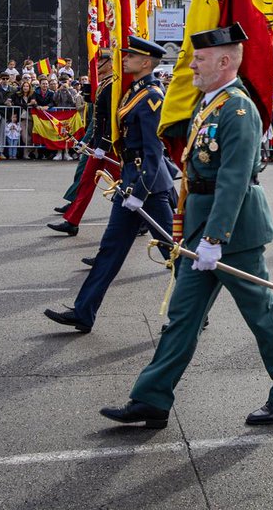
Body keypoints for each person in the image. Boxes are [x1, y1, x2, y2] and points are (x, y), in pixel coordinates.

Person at [100, 24, 273, 429]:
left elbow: (233, 178)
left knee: (261, 315)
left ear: (226, 61)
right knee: (182, 316)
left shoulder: (238, 109)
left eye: (201, 57)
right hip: (200, 225)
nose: (191, 63)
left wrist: (215, 238)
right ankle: (151, 398)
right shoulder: (205, 103)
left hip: (235, 231)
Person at [43, 36, 174, 333]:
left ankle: (192, 314)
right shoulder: (132, 92)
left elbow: (154, 152)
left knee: (173, 253)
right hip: (129, 182)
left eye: (131, 56)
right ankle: (83, 312)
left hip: (148, 187)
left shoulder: (152, 96)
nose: (124, 58)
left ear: (146, 62)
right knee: (110, 251)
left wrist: (140, 193)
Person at [48, 52, 118, 237]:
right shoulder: (103, 83)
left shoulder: (112, 85)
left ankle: (144, 220)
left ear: (111, 63)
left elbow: (111, 118)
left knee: (124, 184)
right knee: (86, 181)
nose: (98, 64)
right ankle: (72, 221)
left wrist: (104, 143)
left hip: (109, 146)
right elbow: (92, 104)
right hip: (98, 144)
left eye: (101, 61)